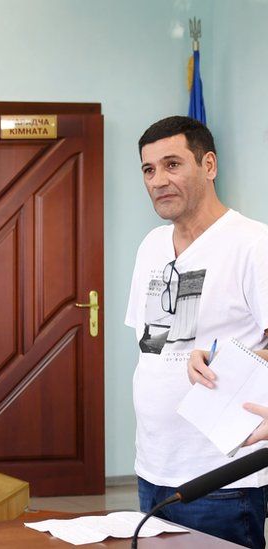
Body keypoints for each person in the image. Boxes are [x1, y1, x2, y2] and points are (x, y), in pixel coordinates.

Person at [126, 116, 268, 548]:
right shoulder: (151, 245)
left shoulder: (253, 245)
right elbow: (150, 346)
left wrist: (228, 358)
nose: (158, 180)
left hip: (222, 476)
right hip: (152, 467)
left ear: (209, 165)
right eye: (149, 170)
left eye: (172, 164)